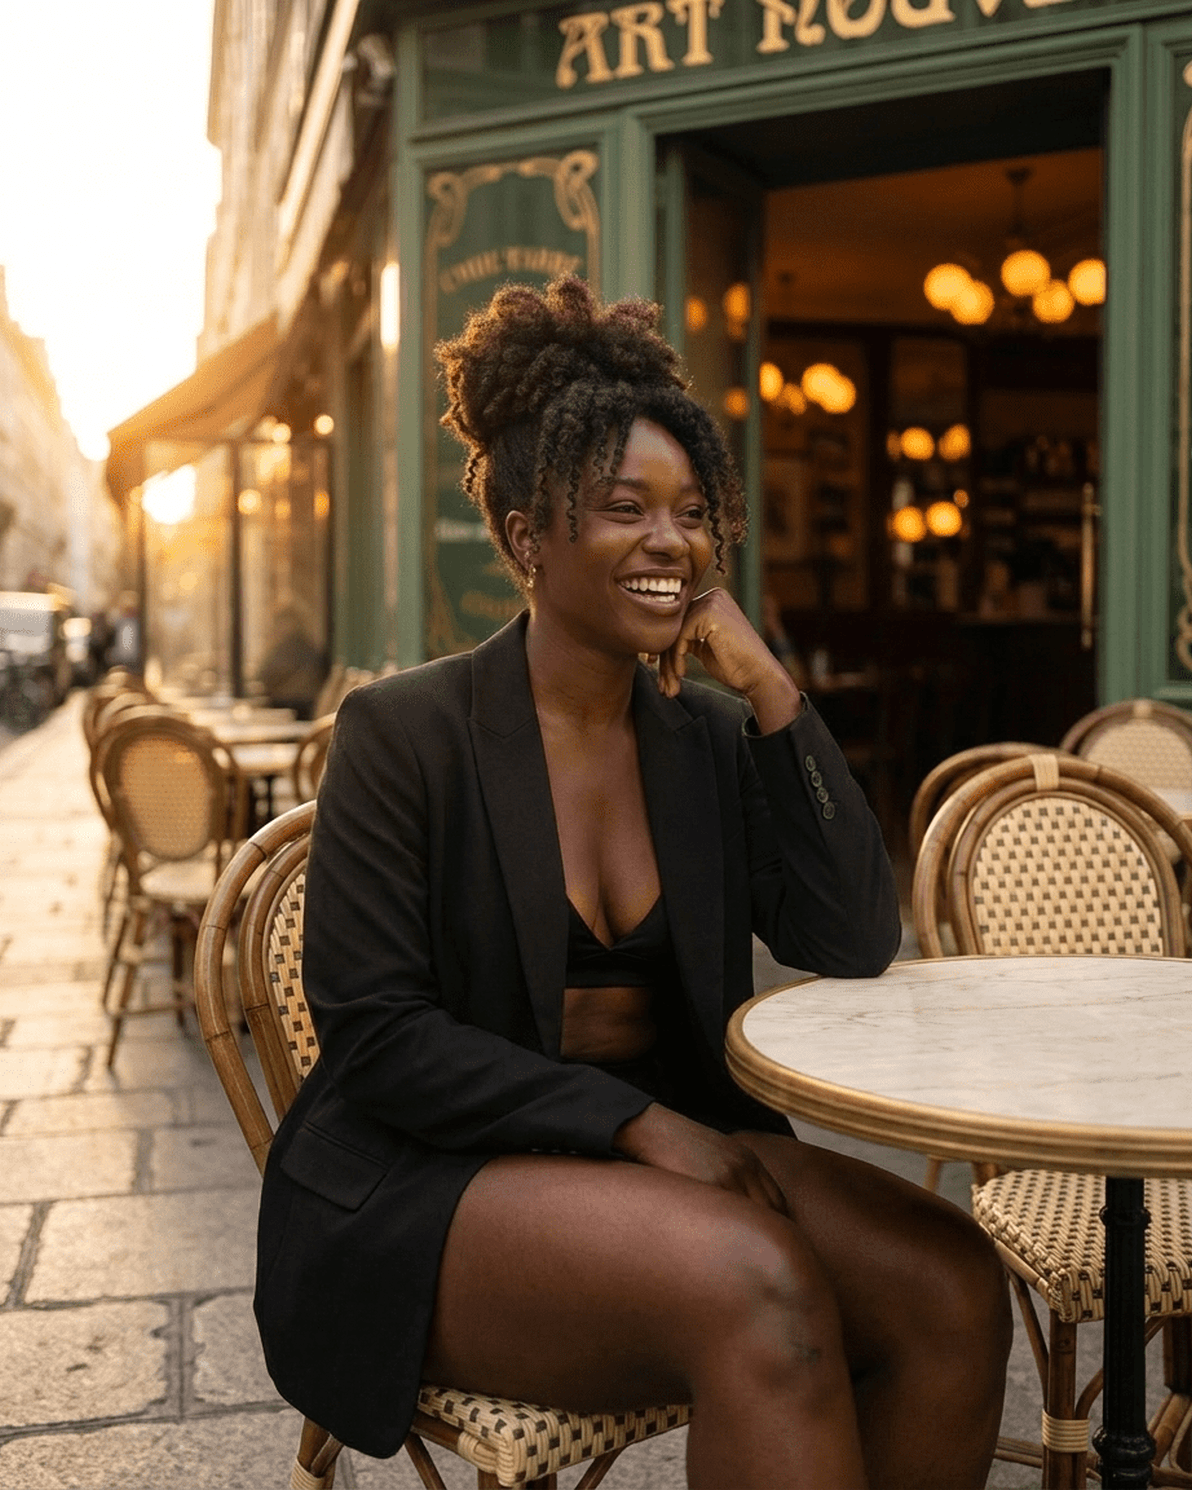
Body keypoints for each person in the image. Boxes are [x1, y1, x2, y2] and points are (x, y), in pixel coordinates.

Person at [255, 276, 1010, 1488]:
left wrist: (770, 690)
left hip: (667, 1165)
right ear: (523, 539)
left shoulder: (709, 740)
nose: (670, 539)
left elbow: (854, 933)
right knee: (755, 1282)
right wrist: (639, 1123)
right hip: (438, 1179)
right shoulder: (404, 732)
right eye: (622, 508)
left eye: (693, 511)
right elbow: (377, 1036)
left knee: (951, 1278)